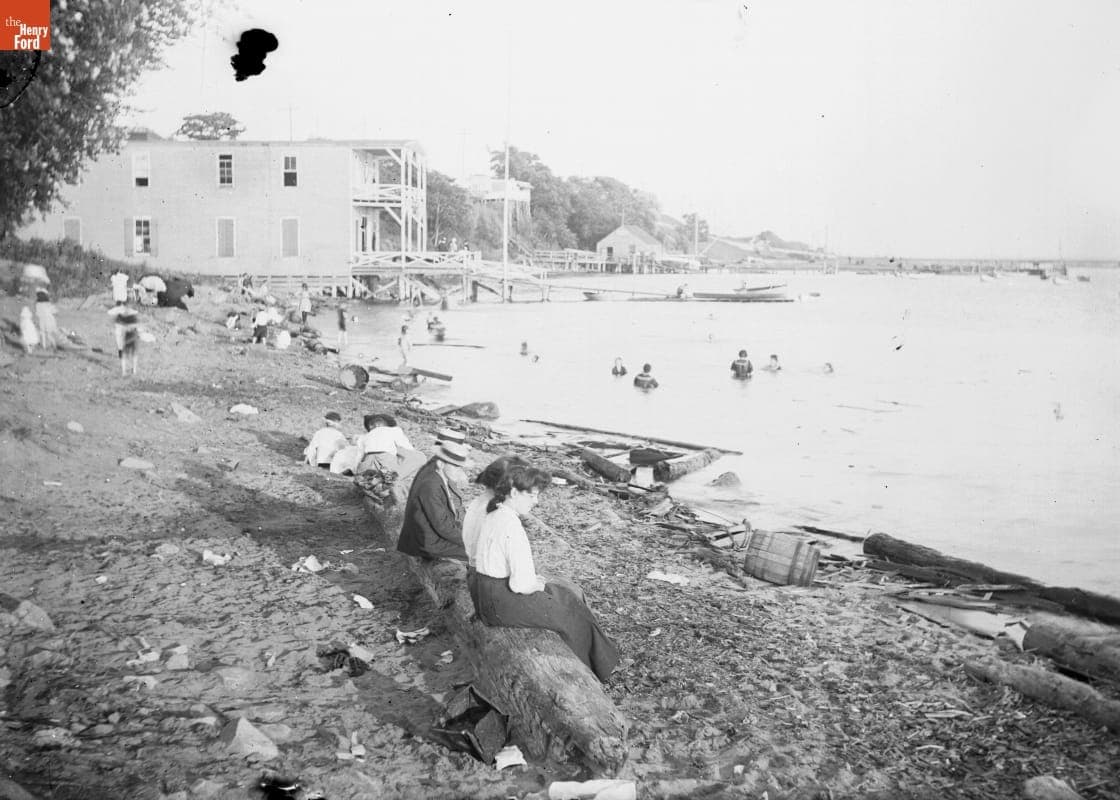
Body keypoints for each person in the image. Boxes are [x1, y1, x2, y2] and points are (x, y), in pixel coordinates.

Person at [471, 465, 620, 682]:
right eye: (532, 495)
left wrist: (535, 581)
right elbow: (519, 585)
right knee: (570, 606)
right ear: (514, 493)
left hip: (485, 593)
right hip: (499, 603)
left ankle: (600, 658)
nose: (536, 501)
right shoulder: (511, 525)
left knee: (564, 593)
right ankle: (600, 668)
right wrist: (536, 584)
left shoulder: (494, 514)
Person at [396, 440, 471, 561]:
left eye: (460, 467)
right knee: (480, 554)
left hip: (429, 535)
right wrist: (470, 541)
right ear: (441, 464)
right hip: (427, 543)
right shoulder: (431, 485)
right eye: (455, 466)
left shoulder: (436, 475)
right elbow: (443, 527)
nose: (459, 471)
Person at [461, 456, 530, 570]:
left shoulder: (479, 502)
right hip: (483, 570)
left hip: (475, 564)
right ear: (509, 484)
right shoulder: (495, 511)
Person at [107, 301, 139, 376]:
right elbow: (135, 325)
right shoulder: (132, 314)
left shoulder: (120, 316)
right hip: (132, 336)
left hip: (126, 337)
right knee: (133, 353)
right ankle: (133, 370)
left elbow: (111, 316)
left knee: (124, 353)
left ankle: (124, 371)